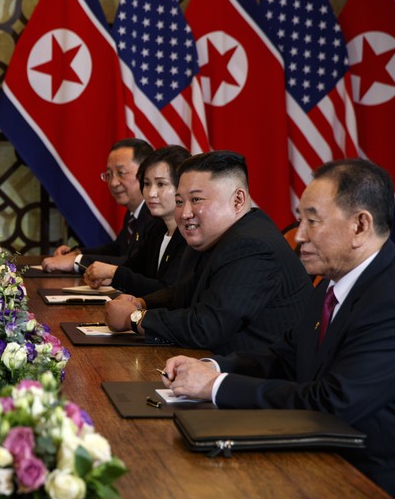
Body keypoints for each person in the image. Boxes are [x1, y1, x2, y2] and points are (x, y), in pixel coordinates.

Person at [162, 159, 395, 499]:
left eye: (312, 221)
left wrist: (216, 386)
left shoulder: (394, 299)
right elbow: (285, 356)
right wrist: (212, 367)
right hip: (315, 458)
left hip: (371, 486)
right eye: (300, 219)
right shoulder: (331, 285)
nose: (299, 235)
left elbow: (332, 404)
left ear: (360, 226)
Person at [105, 151, 312, 354]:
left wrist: (135, 318)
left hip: (257, 379)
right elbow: (185, 291)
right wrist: (142, 302)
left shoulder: (252, 245)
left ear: (238, 200)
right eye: (179, 201)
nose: (185, 213)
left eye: (196, 200)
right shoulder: (212, 235)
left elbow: (207, 326)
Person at [83, 145, 190, 296]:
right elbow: (133, 268)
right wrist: (110, 277)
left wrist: (114, 272)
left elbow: (166, 291)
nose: (151, 193)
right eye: (146, 184)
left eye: (161, 184)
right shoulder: (158, 229)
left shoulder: (190, 234)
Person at [42, 138, 154, 273]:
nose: (113, 183)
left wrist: (77, 262)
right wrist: (77, 252)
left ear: (144, 174)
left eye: (121, 173)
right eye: (108, 174)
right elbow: (117, 250)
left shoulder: (154, 215)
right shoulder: (133, 214)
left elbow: (135, 262)